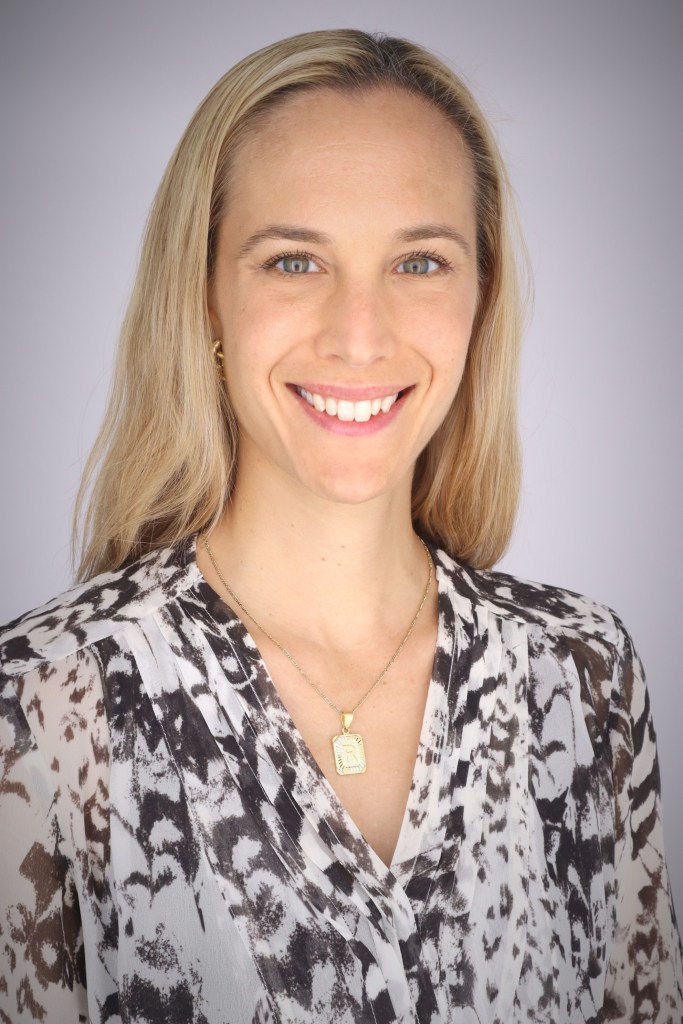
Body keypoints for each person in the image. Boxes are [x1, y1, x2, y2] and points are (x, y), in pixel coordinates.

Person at [0, 27, 681, 1024]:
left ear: (480, 297)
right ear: (206, 297)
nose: (358, 336)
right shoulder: (44, 707)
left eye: (418, 263)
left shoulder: (581, 677)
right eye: (293, 261)